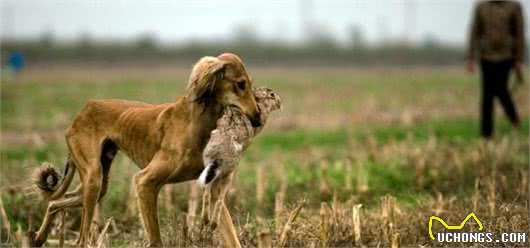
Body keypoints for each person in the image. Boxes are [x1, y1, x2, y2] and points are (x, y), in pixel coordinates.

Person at [466, 0, 526, 138]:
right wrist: (470, 57)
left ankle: (513, 116)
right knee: (487, 96)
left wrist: (519, 59)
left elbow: (520, 33)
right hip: (486, 56)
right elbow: (474, 32)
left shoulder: (514, 7)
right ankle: (486, 134)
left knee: (500, 89)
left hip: (506, 56)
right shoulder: (481, 7)